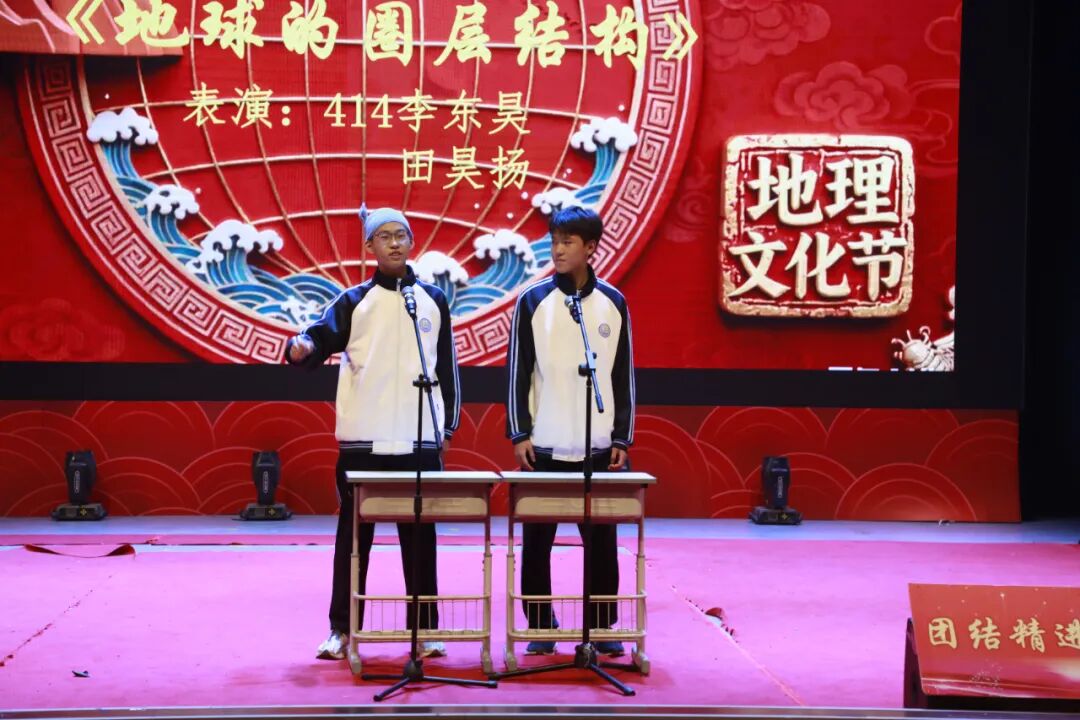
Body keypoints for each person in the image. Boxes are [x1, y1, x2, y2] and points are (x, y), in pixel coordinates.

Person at [285, 206, 460, 660]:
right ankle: (343, 630)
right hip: (364, 439)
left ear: (412, 242)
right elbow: (316, 338)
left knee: (420, 538)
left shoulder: (433, 300)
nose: (395, 243)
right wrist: (301, 347)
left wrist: (447, 425)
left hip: (419, 438)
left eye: (401, 235)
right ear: (369, 246)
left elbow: (446, 368)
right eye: (384, 236)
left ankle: (425, 629)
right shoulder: (353, 301)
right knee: (354, 537)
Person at [505, 206, 635, 656]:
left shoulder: (613, 302)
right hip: (544, 445)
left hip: (597, 446)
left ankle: (601, 625)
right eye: (554, 241)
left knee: (602, 542)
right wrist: (520, 433)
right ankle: (541, 625)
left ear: (590, 247)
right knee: (536, 541)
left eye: (568, 242)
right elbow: (518, 372)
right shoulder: (532, 301)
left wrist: (621, 437)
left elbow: (622, 376)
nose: (558, 250)